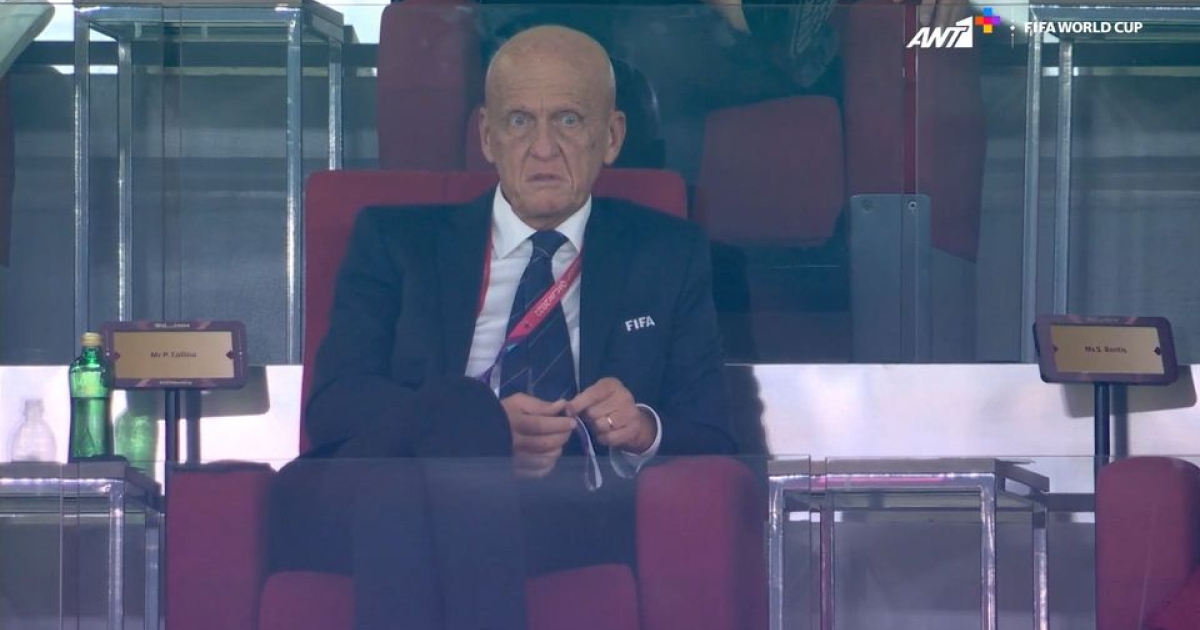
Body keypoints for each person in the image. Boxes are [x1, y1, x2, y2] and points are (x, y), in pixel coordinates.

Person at [303, 24, 736, 630]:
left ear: (611, 136)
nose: (542, 148)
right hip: (378, 480)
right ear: (487, 136)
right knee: (442, 434)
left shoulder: (666, 254)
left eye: (568, 120)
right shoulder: (396, 242)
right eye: (519, 121)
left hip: (562, 507)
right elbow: (334, 406)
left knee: (393, 500)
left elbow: (715, 433)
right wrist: (480, 427)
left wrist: (642, 427)